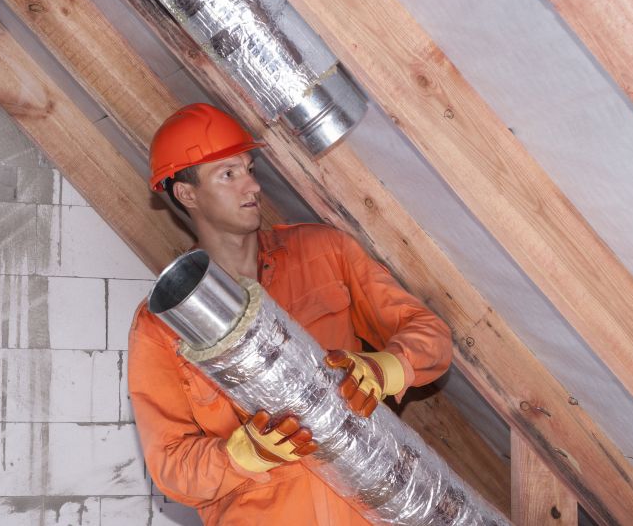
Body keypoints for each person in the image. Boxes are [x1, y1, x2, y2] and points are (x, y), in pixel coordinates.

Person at [128, 103, 453, 525]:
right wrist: (245, 453)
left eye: (248, 168)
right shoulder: (162, 324)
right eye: (228, 174)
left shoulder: (324, 253)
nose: (253, 185)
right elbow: (172, 467)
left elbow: (431, 335)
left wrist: (383, 370)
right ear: (187, 194)